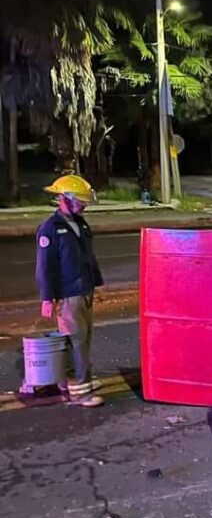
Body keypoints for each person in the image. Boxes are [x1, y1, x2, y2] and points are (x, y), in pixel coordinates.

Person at [35, 174, 105, 407]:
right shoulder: (50, 228)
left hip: (84, 290)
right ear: (64, 199)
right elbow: (45, 267)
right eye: (80, 201)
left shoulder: (80, 222)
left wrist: (95, 284)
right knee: (74, 340)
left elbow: (88, 257)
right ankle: (79, 392)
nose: (84, 205)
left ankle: (80, 381)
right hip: (67, 294)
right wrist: (47, 298)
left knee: (84, 339)